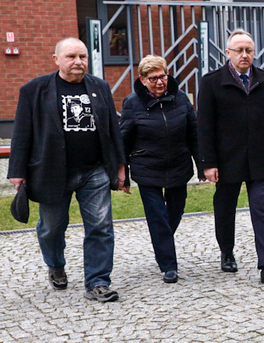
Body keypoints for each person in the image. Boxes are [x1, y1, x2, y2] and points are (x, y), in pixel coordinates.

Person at [6, 37, 127, 302]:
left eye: (82, 57)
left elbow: (112, 130)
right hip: (51, 171)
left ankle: (97, 282)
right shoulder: (34, 90)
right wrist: (17, 170)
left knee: (100, 225)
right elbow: (22, 133)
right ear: (56, 59)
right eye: (71, 57)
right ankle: (56, 264)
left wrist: (120, 166)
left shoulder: (100, 87)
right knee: (51, 227)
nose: (78, 62)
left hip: (94, 170)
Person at [197, 29, 264, 284]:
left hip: (260, 158)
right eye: (239, 50)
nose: (245, 55)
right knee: (225, 209)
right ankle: (227, 252)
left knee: (263, 210)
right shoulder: (212, 82)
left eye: (249, 50)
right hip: (227, 161)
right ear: (228, 53)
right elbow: (204, 126)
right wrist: (207, 163)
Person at [120, 55, 201, 283]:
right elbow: (124, 140)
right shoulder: (132, 103)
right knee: (157, 217)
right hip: (147, 169)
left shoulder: (181, 98)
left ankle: (161, 241)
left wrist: (203, 165)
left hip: (179, 166)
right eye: (153, 78)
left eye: (163, 76)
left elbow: (194, 134)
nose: (159, 82)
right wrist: (123, 175)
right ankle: (169, 266)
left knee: (174, 213)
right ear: (143, 80)